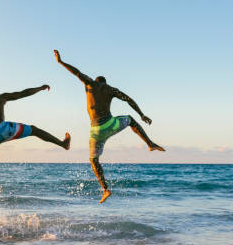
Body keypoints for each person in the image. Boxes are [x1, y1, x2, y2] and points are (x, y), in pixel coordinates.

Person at [54, 50, 164, 203]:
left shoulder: (90, 83)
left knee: (94, 160)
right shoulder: (111, 89)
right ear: (105, 83)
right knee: (130, 119)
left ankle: (105, 189)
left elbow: (77, 73)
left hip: (96, 131)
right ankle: (150, 144)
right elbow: (129, 99)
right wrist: (142, 114)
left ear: (97, 81)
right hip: (111, 125)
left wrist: (61, 62)